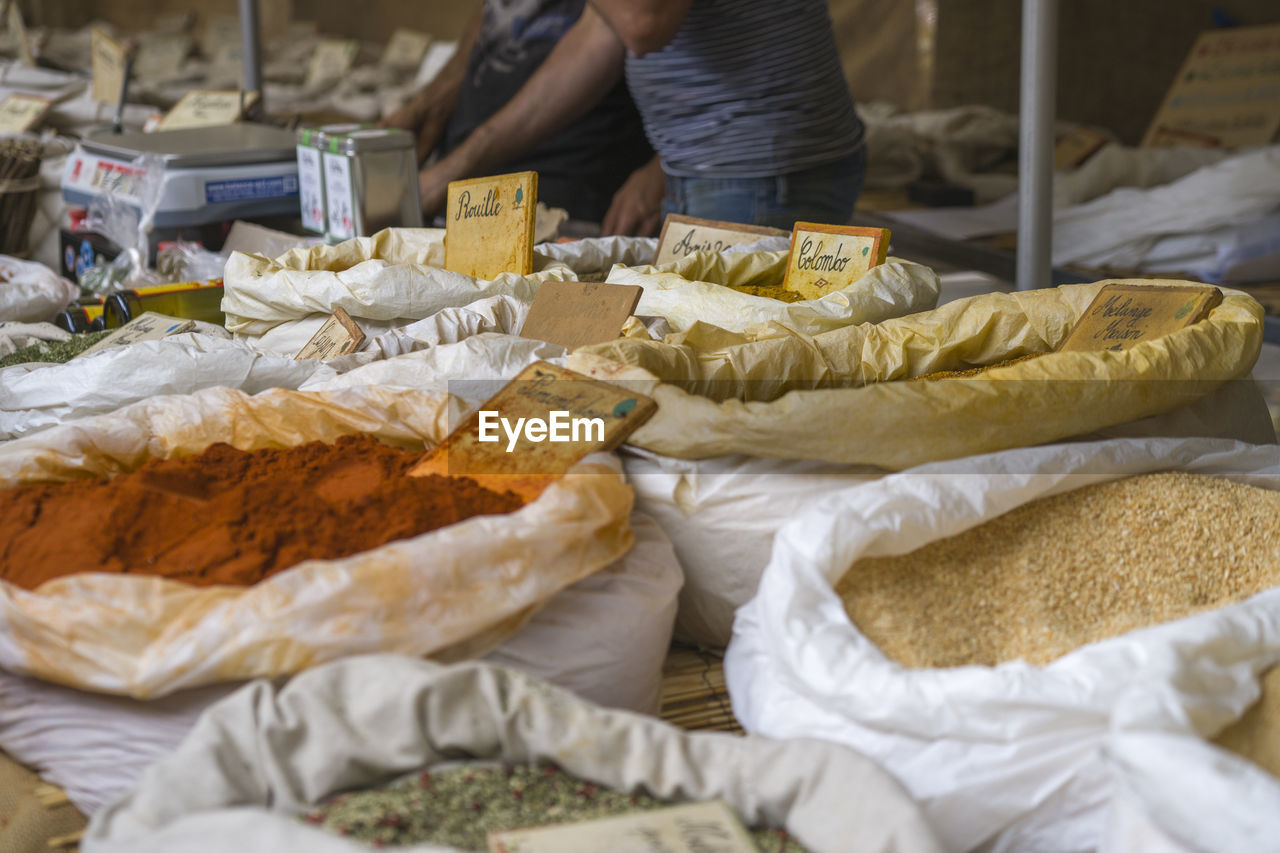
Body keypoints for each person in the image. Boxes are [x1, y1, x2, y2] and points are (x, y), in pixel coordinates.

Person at [414, 0, 867, 233]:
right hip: (713, 166)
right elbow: (599, 35)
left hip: (756, 173)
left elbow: (641, 20)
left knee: (735, 376)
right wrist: (450, 172)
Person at [384, 1, 654, 228]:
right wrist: (432, 103)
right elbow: (497, 13)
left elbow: (622, 26)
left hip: (557, 183)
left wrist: (453, 170)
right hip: (462, 179)